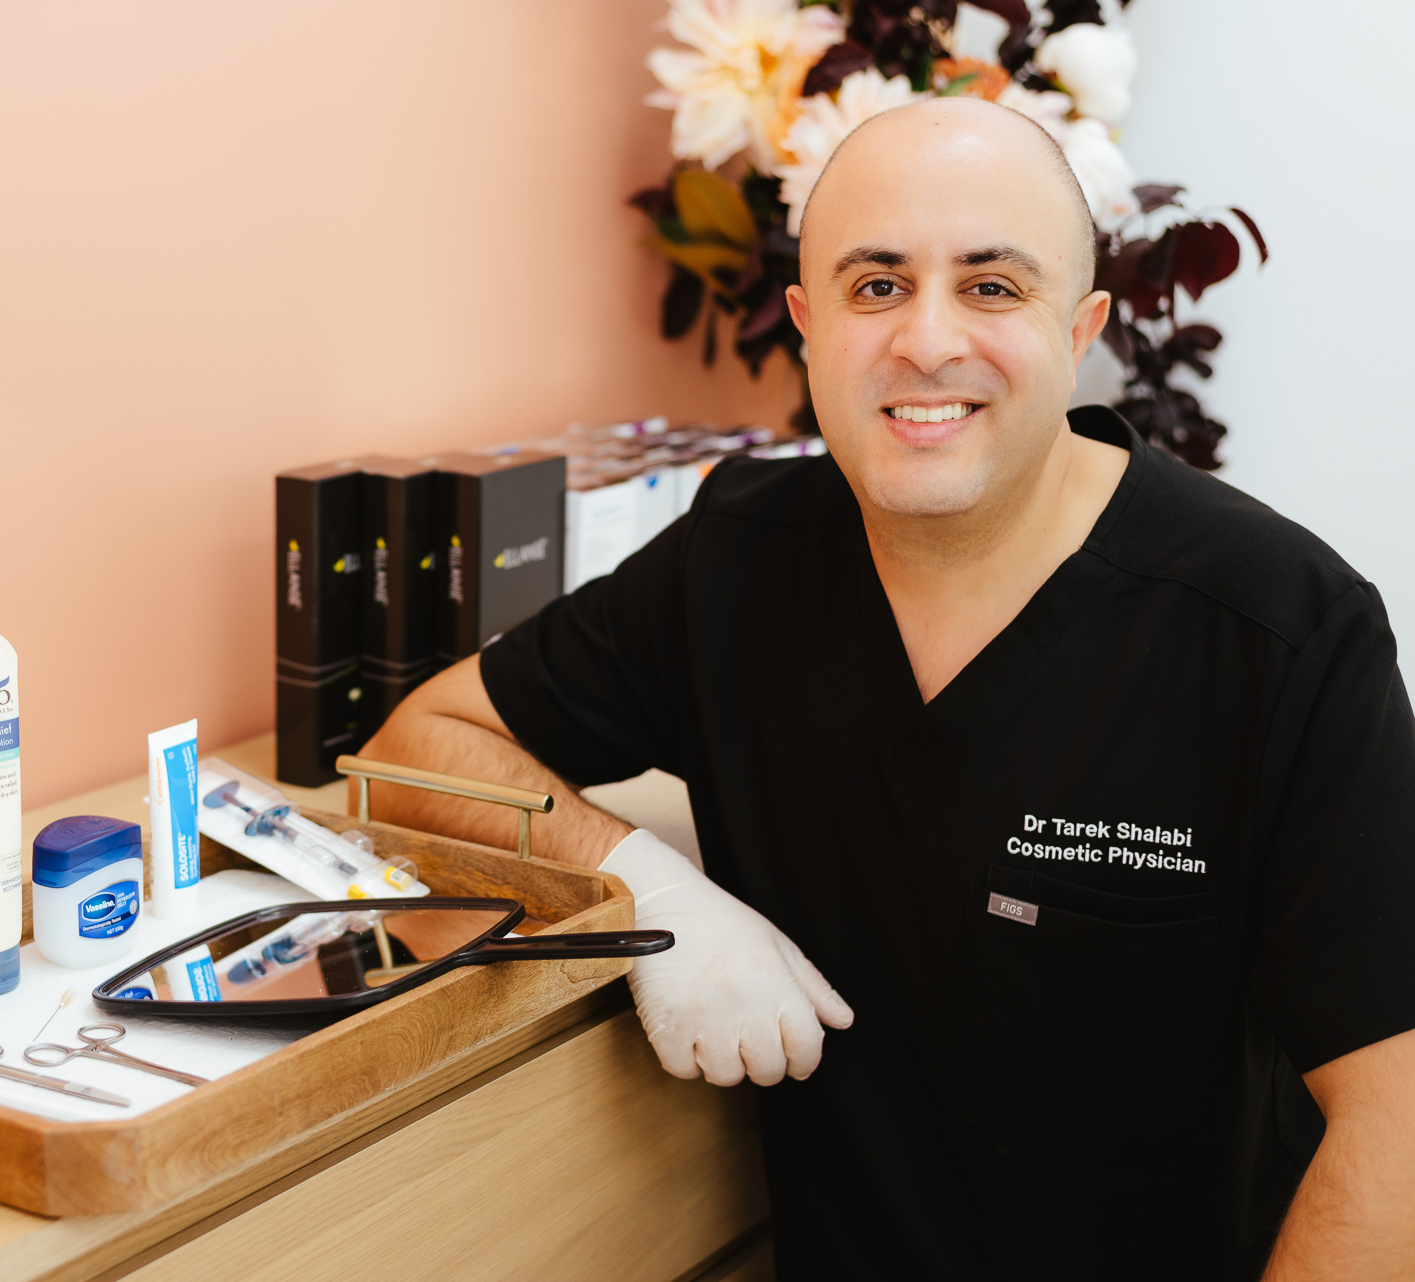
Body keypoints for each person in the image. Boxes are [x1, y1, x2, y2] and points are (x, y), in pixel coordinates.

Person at [361, 97, 1415, 1279]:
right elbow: (412, 753)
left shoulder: (1280, 628)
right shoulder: (736, 564)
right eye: (875, 286)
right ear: (809, 326)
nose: (925, 342)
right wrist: (637, 883)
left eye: (993, 286)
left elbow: (1398, 1113)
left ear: (1083, 329)